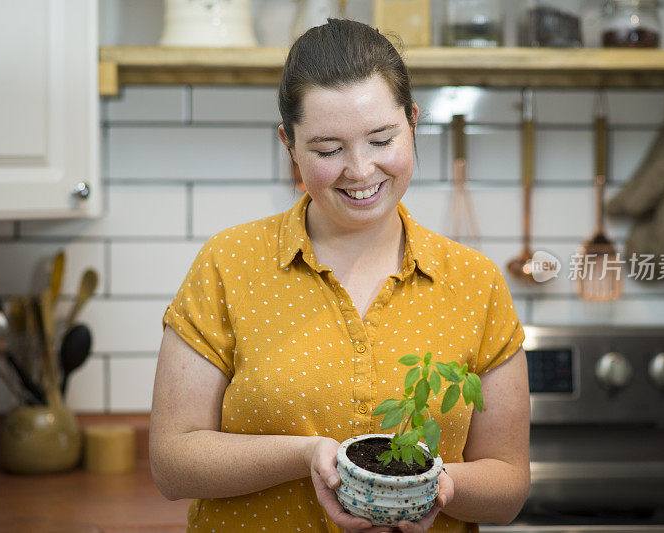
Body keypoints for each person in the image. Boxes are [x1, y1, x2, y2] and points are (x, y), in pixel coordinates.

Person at [150, 18, 530, 533]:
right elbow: (172, 463)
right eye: (328, 150)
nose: (359, 169)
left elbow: (507, 485)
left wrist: (433, 491)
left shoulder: (475, 283)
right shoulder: (228, 263)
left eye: (381, 140)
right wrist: (305, 456)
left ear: (413, 122)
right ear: (289, 144)